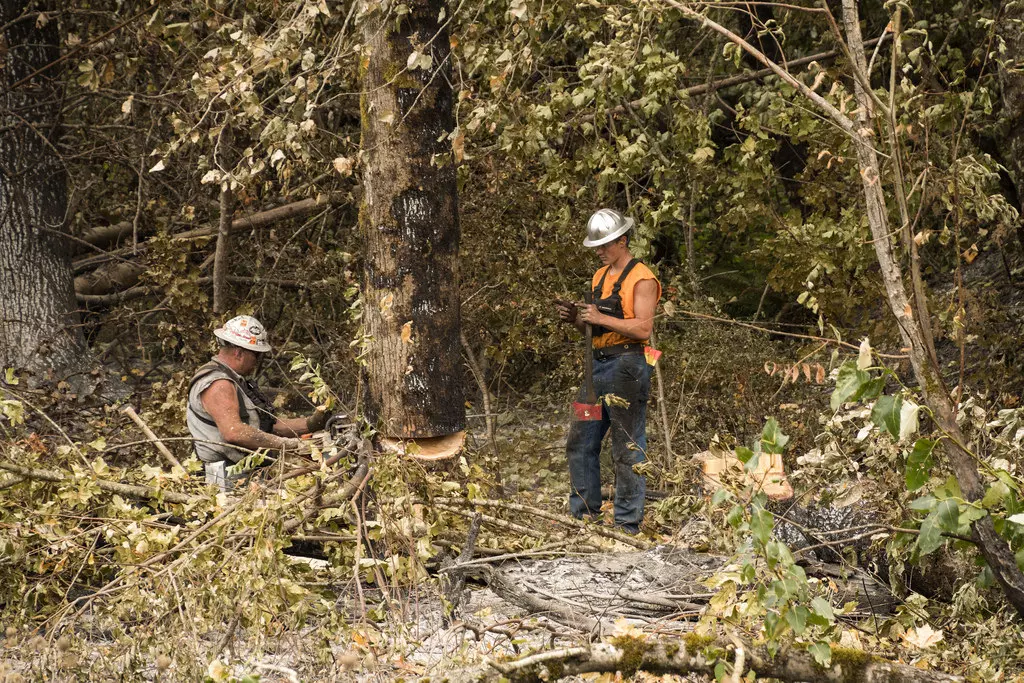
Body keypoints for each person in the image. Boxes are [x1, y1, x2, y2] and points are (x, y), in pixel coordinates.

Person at [556, 209, 661, 534]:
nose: (599, 251)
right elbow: (592, 328)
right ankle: (584, 517)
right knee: (580, 440)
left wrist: (600, 318)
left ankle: (627, 524)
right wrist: (574, 317)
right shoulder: (599, 277)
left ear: (622, 240)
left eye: (604, 245)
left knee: (626, 445)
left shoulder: (641, 278)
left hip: (627, 367)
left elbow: (643, 329)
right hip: (596, 366)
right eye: (596, 246)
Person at [186, 315, 329, 489]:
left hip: (245, 474)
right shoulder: (218, 384)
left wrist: (310, 424)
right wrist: (288, 445)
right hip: (225, 481)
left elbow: (267, 426)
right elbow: (234, 432)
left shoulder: (236, 380)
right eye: (256, 355)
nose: (257, 362)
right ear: (239, 353)